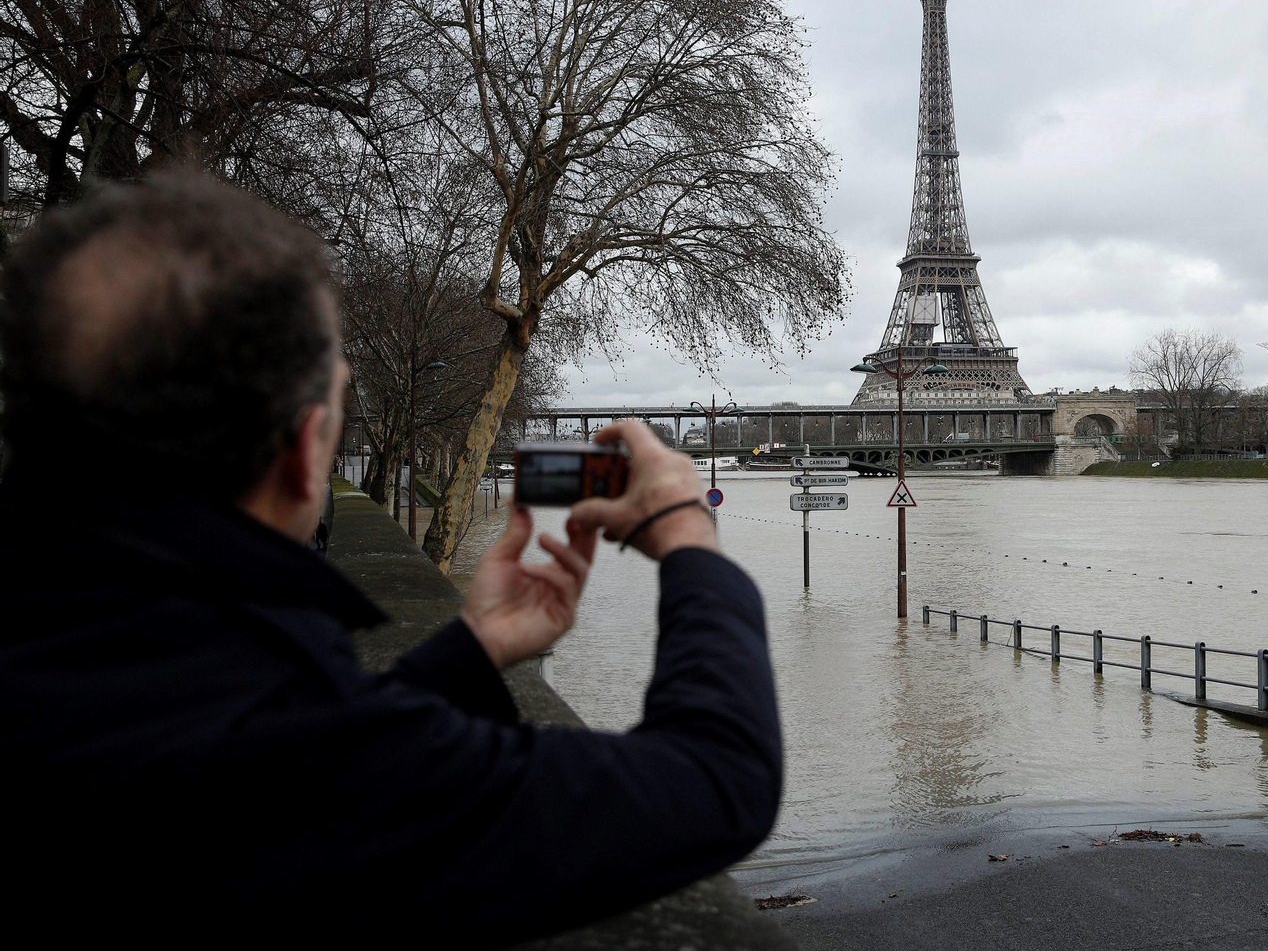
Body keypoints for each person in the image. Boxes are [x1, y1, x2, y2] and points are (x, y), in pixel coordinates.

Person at [0, 172, 781, 946]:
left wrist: (474, 651)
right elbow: (719, 780)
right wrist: (685, 530)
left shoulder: (85, 650)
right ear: (309, 452)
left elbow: (327, 764)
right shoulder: (270, 751)